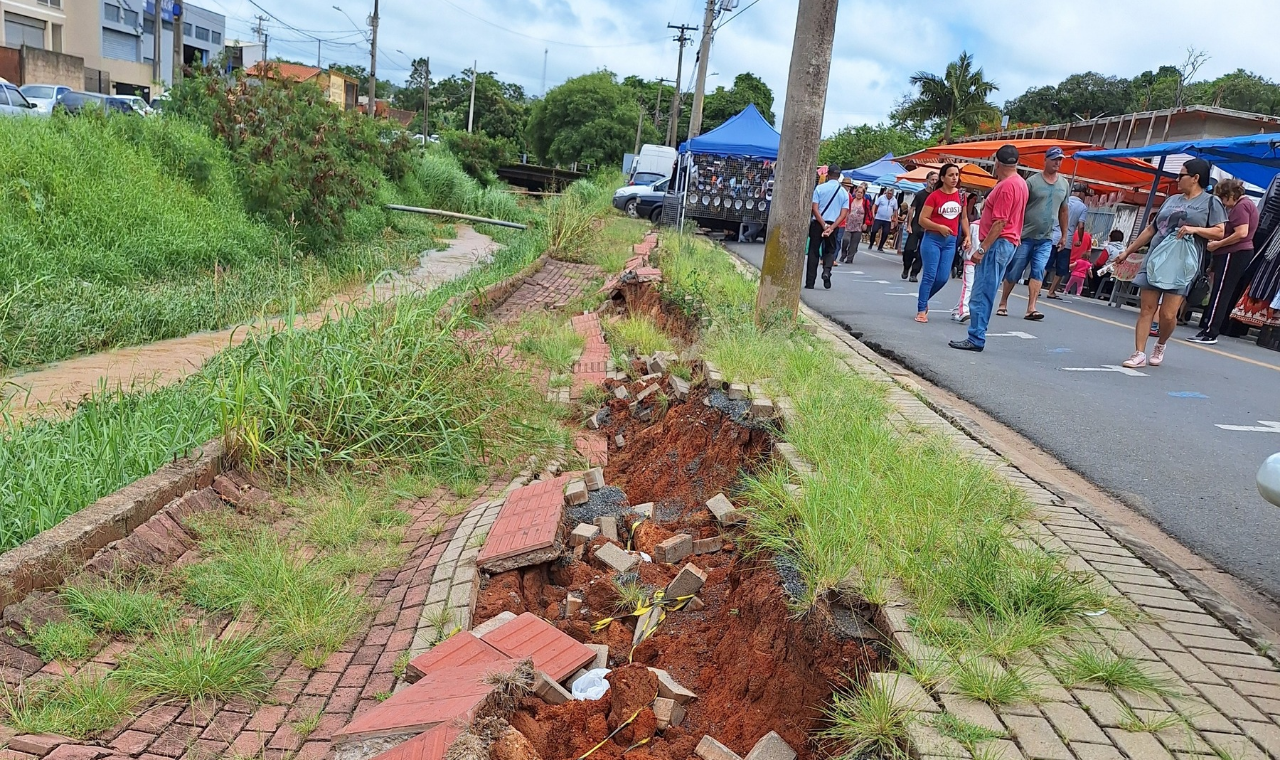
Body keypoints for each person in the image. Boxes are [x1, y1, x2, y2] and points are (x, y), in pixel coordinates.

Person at [1113, 158, 1226, 367]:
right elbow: (1151, 229)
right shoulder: (1172, 199)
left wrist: (1195, 229)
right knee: (1147, 308)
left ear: (1195, 178)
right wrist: (1127, 251)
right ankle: (1138, 353)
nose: (1177, 179)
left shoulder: (1210, 202)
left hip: (1182, 263)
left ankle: (1161, 343)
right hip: (1156, 258)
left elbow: (1220, 231)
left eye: (1181, 175)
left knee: (1168, 314)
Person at [951, 145, 1028, 352]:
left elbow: (999, 222)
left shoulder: (1006, 187)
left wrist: (982, 249)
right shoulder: (1020, 183)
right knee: (986, 289)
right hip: (1007, 242)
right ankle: (976, 335)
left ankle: (976, 337)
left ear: (997, 163)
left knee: (981, 291)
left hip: (997, 243)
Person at [996, 146, 1070, 321]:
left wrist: (1065, 235)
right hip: (1025, 235)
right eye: (1054, 159)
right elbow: (1020, 206)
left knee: (1038, 270)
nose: (1057, 163)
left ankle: (1031, 307)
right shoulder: (1032, 182)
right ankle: (1003, 302)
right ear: (1046, 160)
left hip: (1046, 237)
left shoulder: (1064, 184)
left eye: (1060, 160)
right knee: (1015, 270)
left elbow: (1064, 211)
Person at [1189, 178, 1258, 344]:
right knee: (1222, 291)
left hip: (1233, 253)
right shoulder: (1246, 204)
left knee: (1221, 292)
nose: (1224, 204)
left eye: (1224, 199)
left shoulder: (1241, 206)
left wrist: (1218, 244)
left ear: (1230, 195)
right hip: (1236, 253)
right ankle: (1209, 329)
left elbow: (1241, 232)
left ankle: (1211, 331)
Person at [914, 163, 969, 322]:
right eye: (951, 175)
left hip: (950, 241)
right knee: (930, 275)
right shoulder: (934, 196)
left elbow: (964, 218)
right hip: (932, 239)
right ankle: (921, 310)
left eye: (956, 175)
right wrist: (939, 227)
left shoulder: (961, 196)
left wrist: (967, 236)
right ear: (943, 178)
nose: (954, 178)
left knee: (943, 277)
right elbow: (922, 220)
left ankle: (924, 300)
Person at [805, 163, 850, 290]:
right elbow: (843, 214)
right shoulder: (844, 193)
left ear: (828, 174)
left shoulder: (819, 189)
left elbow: (814, 208)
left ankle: (810, 282)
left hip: (818, 223)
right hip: (833, 225)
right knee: (830, 250)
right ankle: (826, 271)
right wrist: (832, 227)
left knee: (813, 251)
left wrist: (823, 224)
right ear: (839, 176)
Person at [902, 171, 939, 282]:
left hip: (928, 228)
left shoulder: (937, 196)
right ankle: (906, 267)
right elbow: (912, 209)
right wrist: (908, 225)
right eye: (932, 180)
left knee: (922, 253)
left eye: (936, 180)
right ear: (927, 181)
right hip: (916, 225)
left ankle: (914, 273)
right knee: (909, 249)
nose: (934, 182)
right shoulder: (920, 194)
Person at [951, 194, 982, 323]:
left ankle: (956, 309)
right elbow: (969, 239)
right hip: (970, 259)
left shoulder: (993, 228)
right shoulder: (975, 225)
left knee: (972, 287)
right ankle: (963, 310)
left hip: (981, 263)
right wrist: (966, 247)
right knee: (968, 286)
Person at [1049, 224, 1093, 299]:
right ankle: (1054, 290)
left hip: (1069, 260)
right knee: (1079, 283)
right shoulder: (1088, 237)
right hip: (1080, 264)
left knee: (1056, 269)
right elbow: (1089, 252)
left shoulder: (1071, 234)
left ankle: (1054, 288)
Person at [840, 184, 867, 263]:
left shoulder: (865, 203)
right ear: (855, 192)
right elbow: (846, 210)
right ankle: (844, 253)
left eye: (861, 193)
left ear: (863, 194)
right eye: (858, 192)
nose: (859, 194)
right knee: (845, 240)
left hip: (858, 226)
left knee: (854, 244)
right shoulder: (851, 200)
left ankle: (849, 258)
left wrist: (866, 223)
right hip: (848, 224)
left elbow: (868, 214)